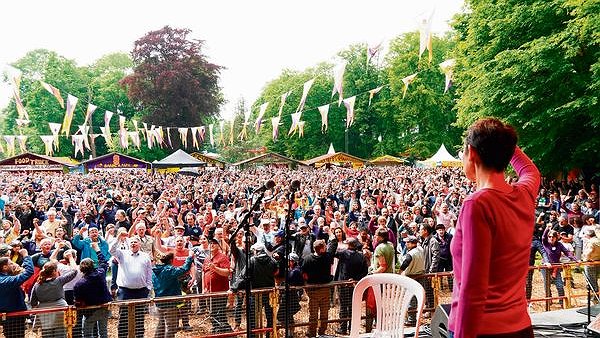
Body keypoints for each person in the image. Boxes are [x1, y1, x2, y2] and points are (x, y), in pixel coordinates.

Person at [449, 118, 540, 338]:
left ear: (472, 153)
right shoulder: (525, 193)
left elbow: (473, 290)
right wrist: (502, 141)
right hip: (520, 327)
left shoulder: (477, 205)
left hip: (482, 331)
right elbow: (530, 170)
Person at [110, 228, 153, 338]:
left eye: (135, 242)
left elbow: (149, 272)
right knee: (123, 318)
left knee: (139, 318)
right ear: (129, 244)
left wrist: (148, 287)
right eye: (131, 242)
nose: (133, 243)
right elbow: (111, 250)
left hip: (141, 291)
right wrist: (119, 237)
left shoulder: (145, 256)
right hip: (125, 292)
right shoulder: (122, 254)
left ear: (139, 244)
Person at [74, 241, 112, 338]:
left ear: (81, 269)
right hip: (104, 307)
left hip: (89, 311)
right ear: (93, 265)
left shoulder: (79, 284)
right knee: (103, 332)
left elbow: (78, 301)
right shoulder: (100, 273)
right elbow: (103, 262)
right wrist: (97, 250)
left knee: (87, 333)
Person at [30, 260, 78, 338]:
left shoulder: (37, 285)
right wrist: (71, 258)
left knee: (47, 335)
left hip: (44, 313)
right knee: (60, 334)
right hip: (60, 311)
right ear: (55, 271)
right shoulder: (59, 280)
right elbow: (75, 271)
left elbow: (33, 302)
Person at [152, 251, 194, 338]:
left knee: (161, 325)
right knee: (170, 328)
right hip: (169, 302)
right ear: (171, 260)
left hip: (159, 301)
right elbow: (184, 269)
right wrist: (190, 257)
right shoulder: (169, 270)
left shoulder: (155, 270)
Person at [301, 239, 334, 337]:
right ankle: (322, 332)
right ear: (322, 249)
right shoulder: (327, 257)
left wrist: (307, 286)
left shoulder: (307, 259)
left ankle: (312, 333)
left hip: (312, 290)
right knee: (324, 314)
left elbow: (304, 274)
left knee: (313, 314)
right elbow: (332, 248)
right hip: (325, 289)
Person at [0, 247, 33, 338]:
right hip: (15, 317)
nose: (14, 265)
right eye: (11, 263)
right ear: (5, 267)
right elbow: (29, 272)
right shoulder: (8, 281)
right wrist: (26, 256)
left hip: (5, 316)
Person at [582, 228, 600, 293]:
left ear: (588, 235)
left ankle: (594, 298)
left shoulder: (591, 242)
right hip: (598, 262)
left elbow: (588, 252)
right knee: (594, 281)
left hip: (590, 263)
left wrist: (587, 259)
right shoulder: (598, 240)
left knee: (591, 282)